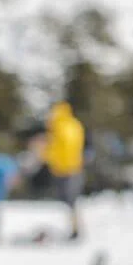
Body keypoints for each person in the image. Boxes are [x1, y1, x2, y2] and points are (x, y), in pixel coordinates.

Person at [43, 102, 85, 240]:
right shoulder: (74, 124)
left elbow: (57, 148)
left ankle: (75, 229)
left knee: (69, 201)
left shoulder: (60, 127)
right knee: (70, 201)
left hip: (66, 169)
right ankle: (74, 228)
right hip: (74, 167)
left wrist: (48, 157)